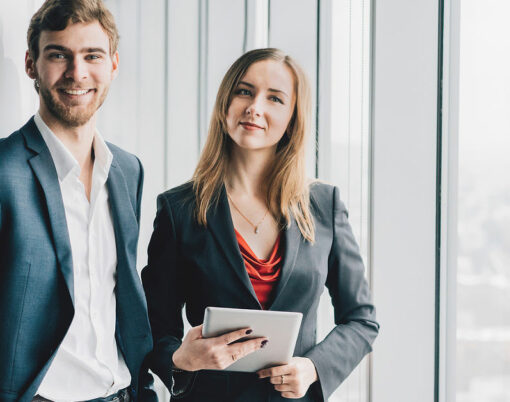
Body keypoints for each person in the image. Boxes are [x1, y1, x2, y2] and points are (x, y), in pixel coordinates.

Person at [142, 48, 379, 401]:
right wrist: (180, 358)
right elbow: (153, 328)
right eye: (244, 91)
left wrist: (312, 368)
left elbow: (362, 320)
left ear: (292, 118)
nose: (255, 107)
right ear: (226, 103)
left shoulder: (323, 205)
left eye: (275, 98)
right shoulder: (179, 210)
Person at [0, 1, 155, 401]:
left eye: (92, 56)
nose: (77, 72)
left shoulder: (127, 169)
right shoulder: (3, 170)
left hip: (121, 391)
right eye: (58, 55)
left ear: (113, 65)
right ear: (31, 64)